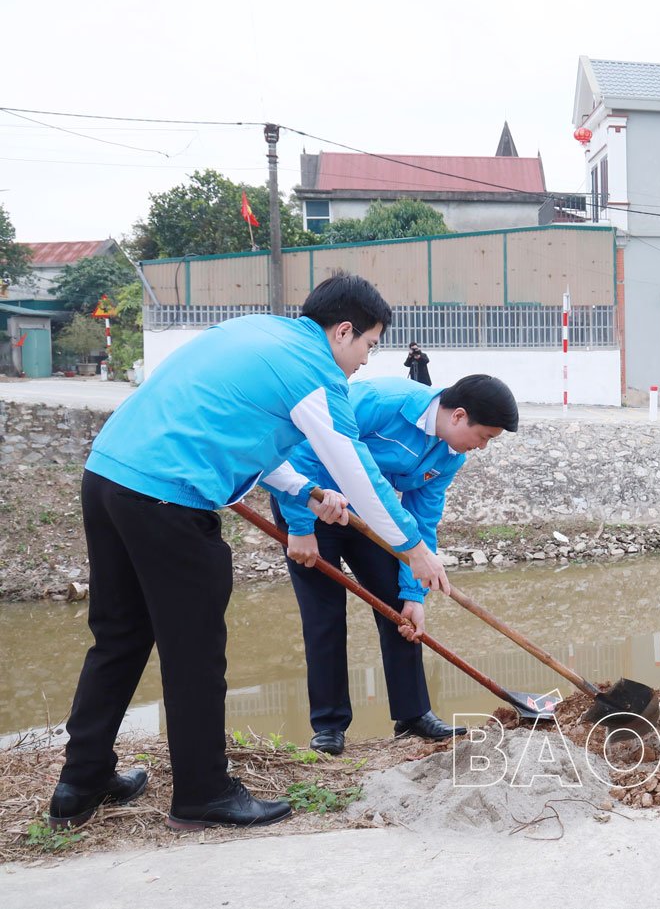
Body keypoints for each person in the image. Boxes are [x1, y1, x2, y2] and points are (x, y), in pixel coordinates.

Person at [49, 273, 451, 832]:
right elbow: (355, 469)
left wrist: (303, 490)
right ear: (343, 331)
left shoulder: (259, 333)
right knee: (195, 651)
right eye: (369, 344)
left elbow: (238, 431)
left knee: (118, 637)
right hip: (168, 498)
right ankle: (202, 793)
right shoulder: (315, 372)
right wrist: (413, 550)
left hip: (109, 476)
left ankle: (81, 781)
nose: (364, 360)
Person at [271, 374, 519, 755]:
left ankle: (412, 713)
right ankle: (330, 725)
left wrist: (414, 594)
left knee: (399, 611)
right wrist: (301, 526)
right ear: (459, 417)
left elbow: (421, 523)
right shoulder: (380, 402)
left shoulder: (450, 455)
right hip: (313, 502)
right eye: (484, 436)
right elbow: (300, 450)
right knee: (325, 614)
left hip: (374, 517)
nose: (482, 447)